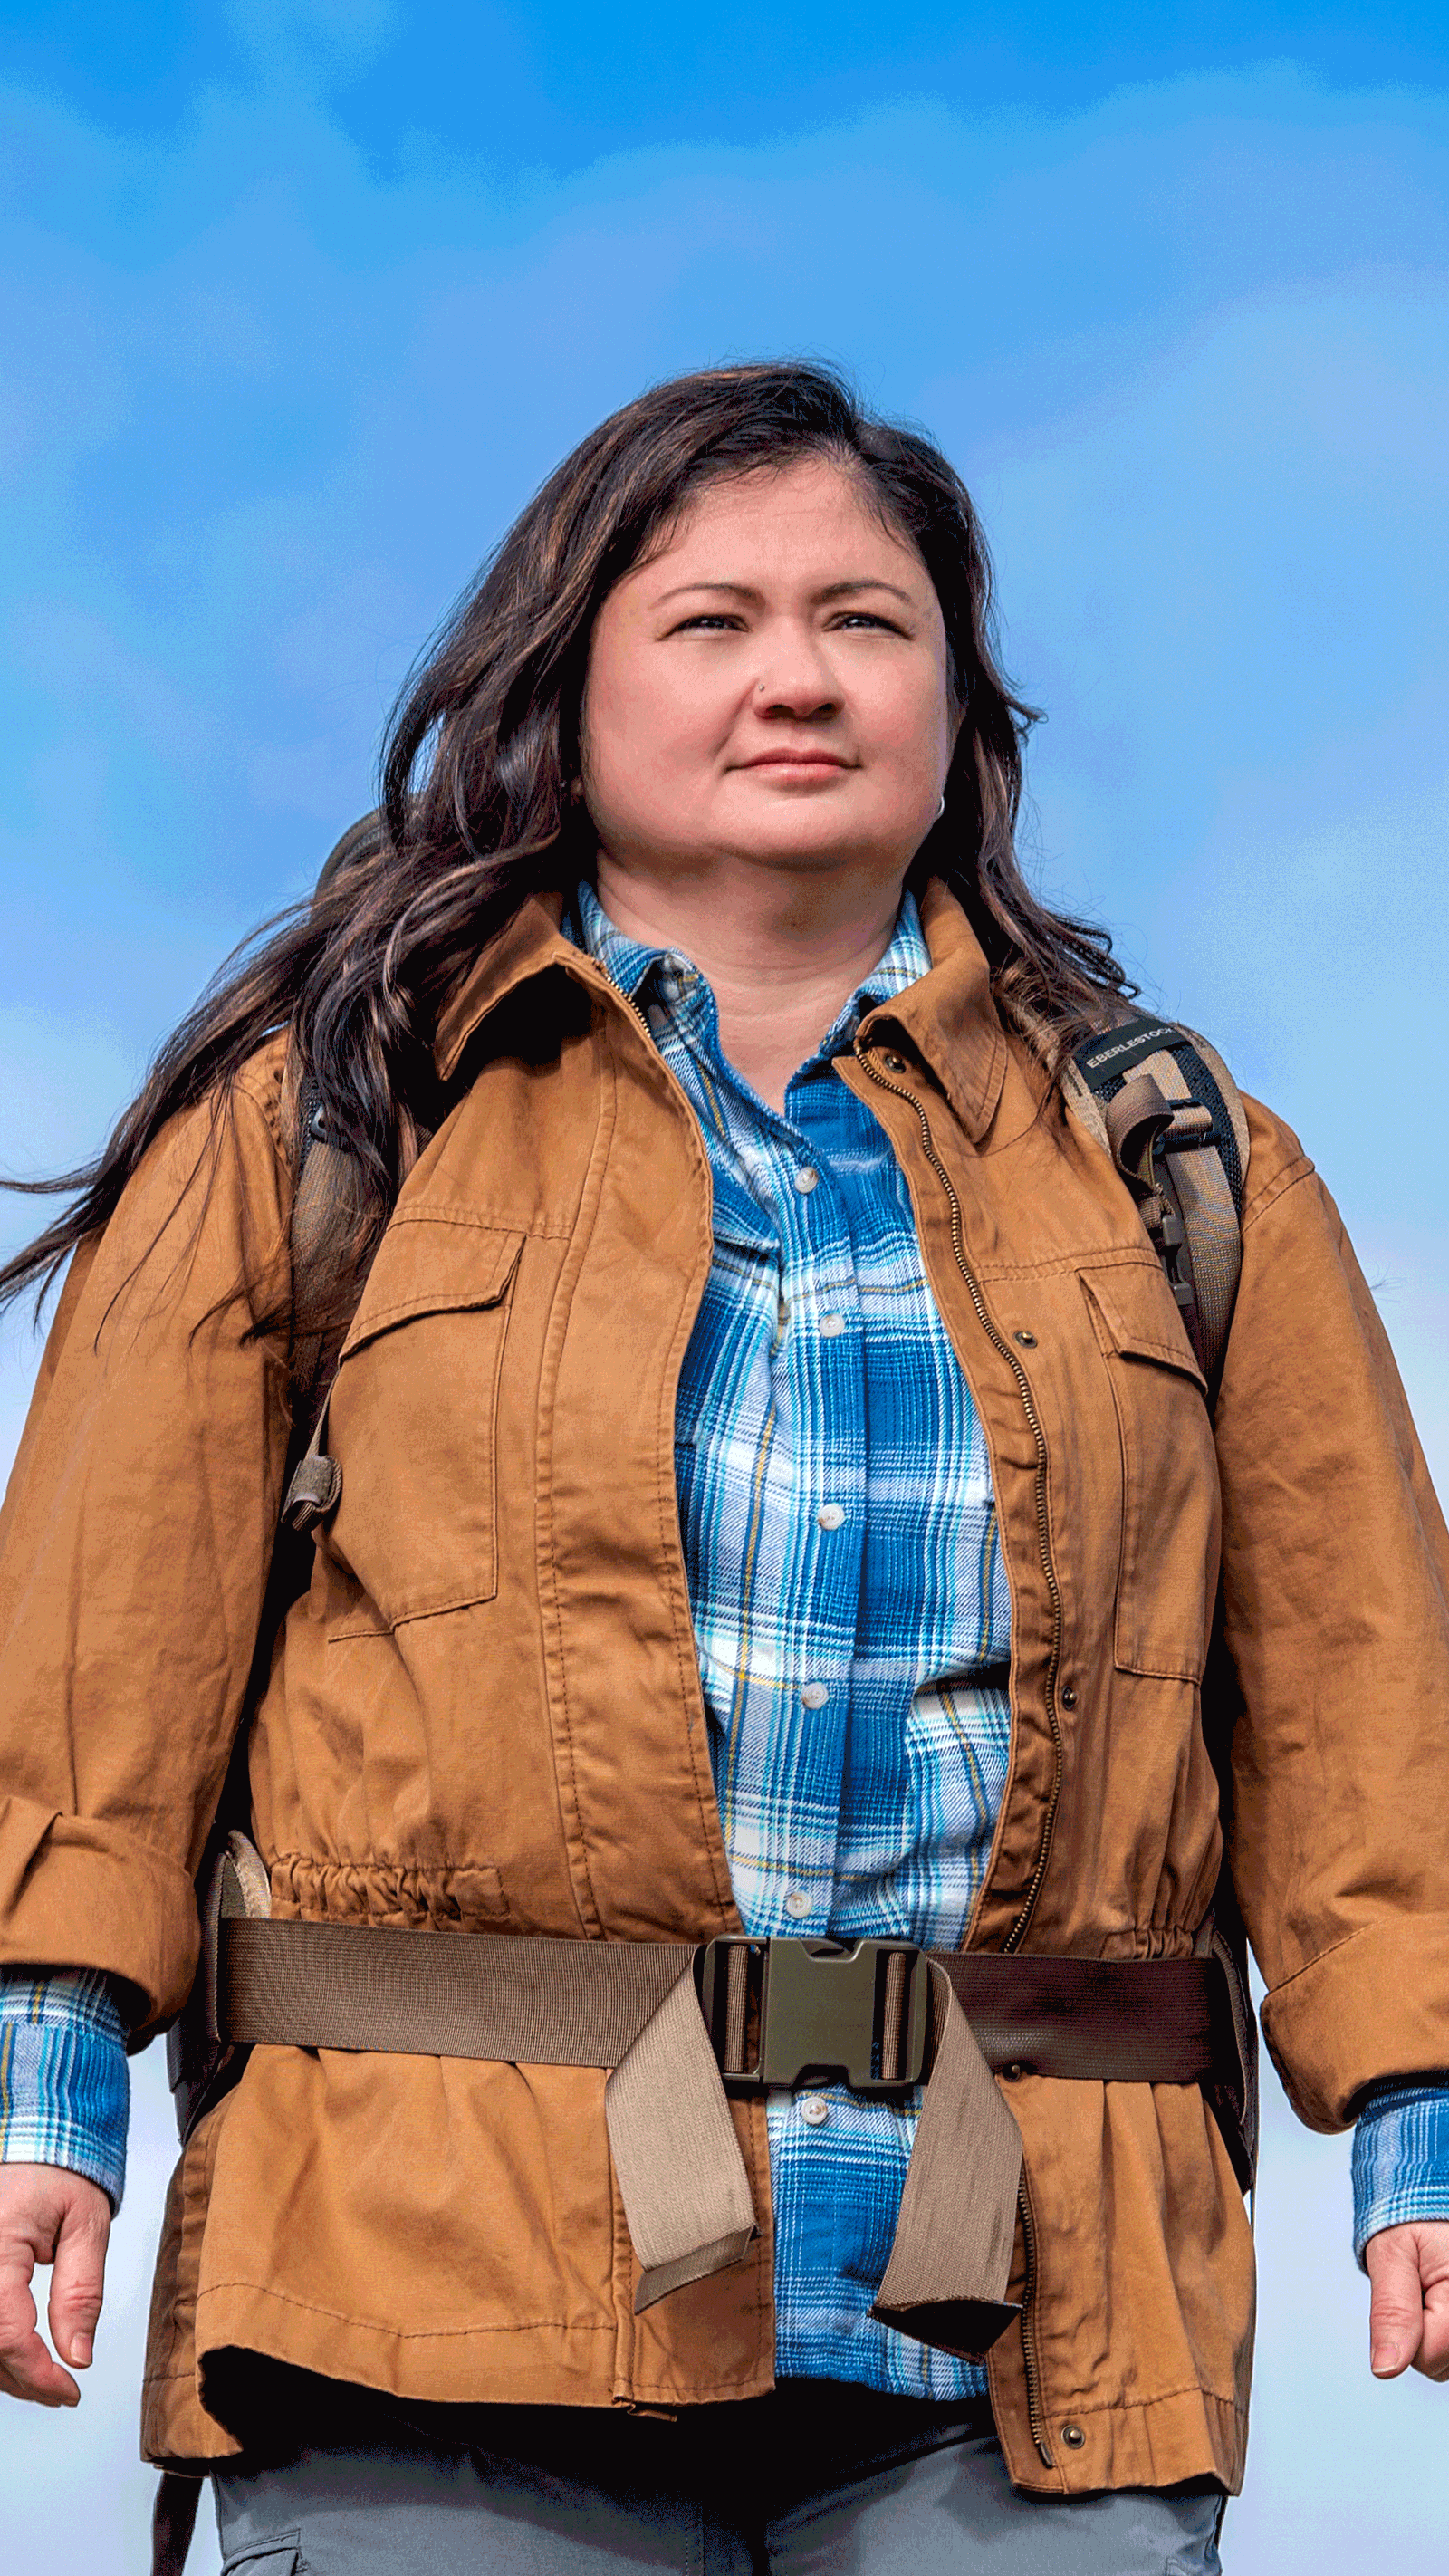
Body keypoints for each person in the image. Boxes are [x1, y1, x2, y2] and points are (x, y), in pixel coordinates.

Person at [0, 361, 1445, 2576]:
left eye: (865, 622)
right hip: (424, 2281)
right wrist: (45, 2097)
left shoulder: (1180, 1166)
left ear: (958, 713)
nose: (797, 677)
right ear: (558, 698)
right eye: (711, 622)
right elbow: (98, 1679)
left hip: (1034, 2309)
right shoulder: (326, 1126)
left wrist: (1418, 2121)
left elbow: (1362, 1705)